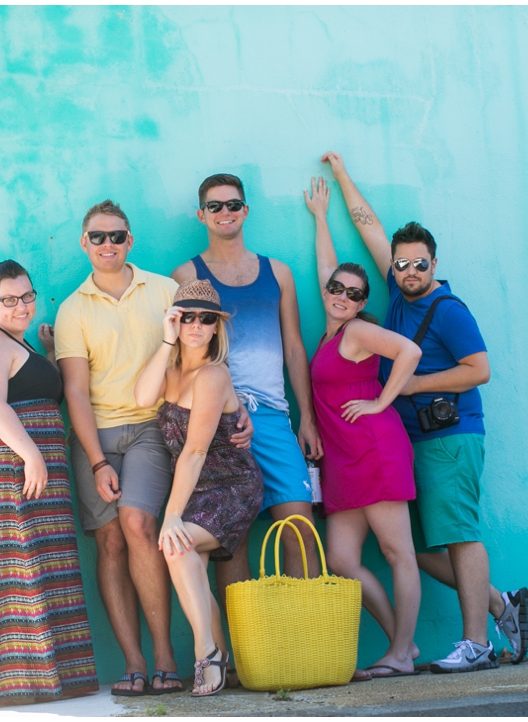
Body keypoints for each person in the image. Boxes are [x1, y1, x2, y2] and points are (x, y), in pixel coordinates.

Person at [321, 151, 528, 672]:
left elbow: (478, 369)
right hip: (407, 441)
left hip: (450, 435)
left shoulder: (449, 309)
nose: (410, 270)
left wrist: (408, 385)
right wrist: (342, 176)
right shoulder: (393, 292)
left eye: (420, 262)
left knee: (457, 532)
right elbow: (367, 224)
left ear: (434, 264)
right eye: (401, 262)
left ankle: (477, 643)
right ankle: (503, 603)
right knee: (422, 545)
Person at [55, 200, 253, 696]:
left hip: (154, 435)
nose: (108, 245)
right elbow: (76, 390)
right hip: (98, 433)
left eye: (117, 236)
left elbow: (203, 383)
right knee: (112, 541)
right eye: (97, 237)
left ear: (130, 240)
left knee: (143, 527)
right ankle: (142, 662)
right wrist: (97, 459)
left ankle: (176, 657)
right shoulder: (72, 309)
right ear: (84, 243)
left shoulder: (166, 291)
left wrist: (236, 405)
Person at [172, 174, 323, 621]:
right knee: (229, 536)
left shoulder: (278, 272)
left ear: (246, 211)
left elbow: (294, 347)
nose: (225, 213)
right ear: (201, 215)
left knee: (299, 526)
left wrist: (306, 418)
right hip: (219, 420)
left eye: (233, 205)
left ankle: (311, 639)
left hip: (274, 418)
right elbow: (186, 352)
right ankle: (244, 658)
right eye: (215, 207)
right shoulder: (186, 275)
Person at [303, 176, 423, 679]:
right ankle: (403, 643)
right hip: (343, 460)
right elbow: (327, 268)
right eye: (336, 289)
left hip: (373, 449)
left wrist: (380, 402)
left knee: (398, 552)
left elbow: (409, 352)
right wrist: (320, 220)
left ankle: (400, 650)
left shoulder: (357, 330)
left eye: (353, 294)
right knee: (342, 558)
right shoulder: (333, 330)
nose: (341, 296)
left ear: (361, 302)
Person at [0, 259, 98, 709]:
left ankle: (61, 676)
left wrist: (46, 348)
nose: (20, 305)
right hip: (11, 467)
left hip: (39, 466)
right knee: (17, 569)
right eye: (8, 299)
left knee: (51, 565)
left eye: (27, 296)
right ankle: (17, 681)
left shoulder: (18, 342)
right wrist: (32, 456)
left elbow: (33, 384)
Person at [134, 279, 263, 697]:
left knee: (177, 541)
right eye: (186, 317)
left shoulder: (212, 375)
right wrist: (165, 341)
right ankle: (218, 657)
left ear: (215, 328)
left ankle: (206, 652)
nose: (196, 325)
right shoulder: (172, 370)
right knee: (182, 553)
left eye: (205, 319)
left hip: (231, 485)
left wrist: (172, 515)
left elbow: (194, 452)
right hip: (197, 490)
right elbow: (142, 397)